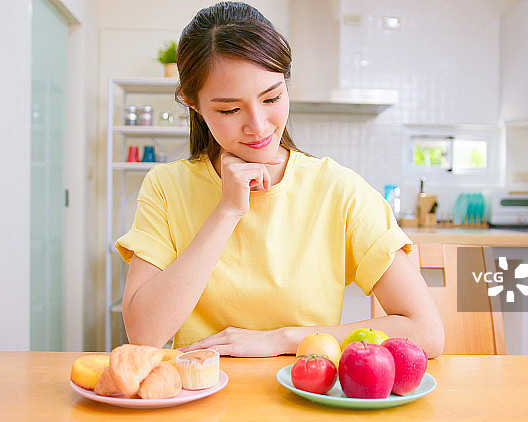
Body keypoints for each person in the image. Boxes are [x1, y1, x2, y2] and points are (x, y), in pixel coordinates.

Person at [116, 1, 444, 358]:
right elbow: (144, 335)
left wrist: (282, 339)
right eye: (229, 109)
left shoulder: (339, 190)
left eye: (271, 97)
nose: (258, 125)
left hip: (308, 398)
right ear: (193, 104)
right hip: (202, 398)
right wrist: (226, 211)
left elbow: (425, 331)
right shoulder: (167, 188)